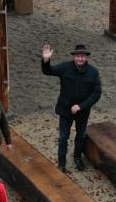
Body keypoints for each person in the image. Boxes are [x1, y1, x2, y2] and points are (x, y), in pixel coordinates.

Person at [41, 43, 102, 172]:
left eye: (83, 56)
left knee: (80, 136)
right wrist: (46, 59)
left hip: (82, 112)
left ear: (87, 57)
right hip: (65, 110)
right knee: (63, 137)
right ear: (74, 56)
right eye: (78, 56)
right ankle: (62, 163)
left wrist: (81, 106)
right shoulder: (65, 67)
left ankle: (77, 158)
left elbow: (96, 94)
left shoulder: (93, 72)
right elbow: (48, 71)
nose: (80, 59)